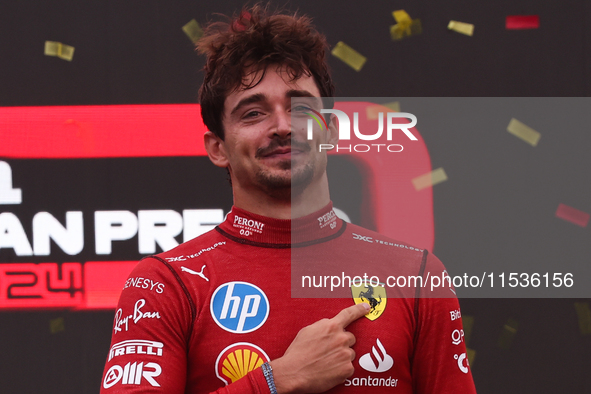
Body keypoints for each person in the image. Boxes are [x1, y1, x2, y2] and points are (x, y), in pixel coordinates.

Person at [100, 4, 477, 393]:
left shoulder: (416, 274)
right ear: (218, 148)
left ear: (330, 130)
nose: (282, 126)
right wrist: (277, 381)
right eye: (253, 113)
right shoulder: (167, 283)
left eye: (300, 108)